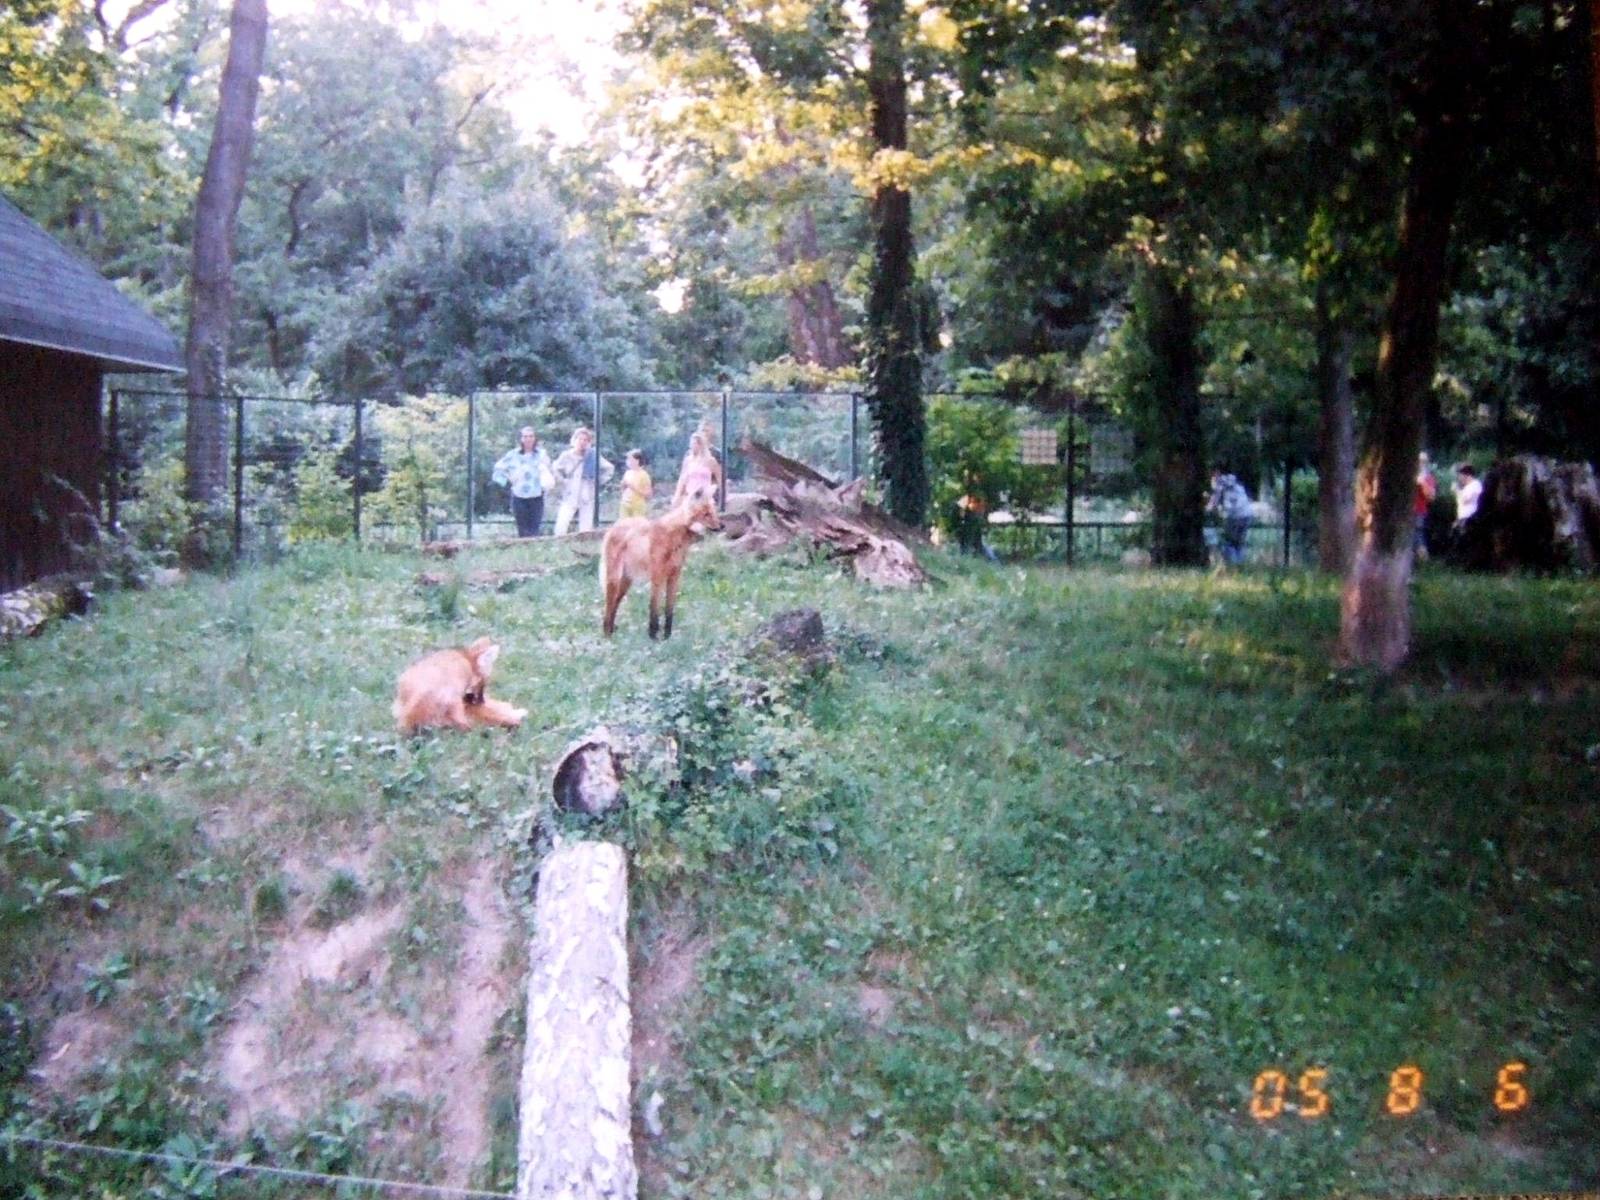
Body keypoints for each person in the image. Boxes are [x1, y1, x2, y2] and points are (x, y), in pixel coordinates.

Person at [490, 426, 552, 538]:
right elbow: (498, 470)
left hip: (536, 495)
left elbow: (548, 471)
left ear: (535, 438)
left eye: (531, 436)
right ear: (521, 439)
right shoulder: (513, 454)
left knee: (535, 529)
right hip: (519, 496)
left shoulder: (541, 454)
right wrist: (507, 481)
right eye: (525, 436)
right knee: (522, 529)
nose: (528, 439)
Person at [552, 427, 614, 535]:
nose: (582, 442)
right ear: (574, 440)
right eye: (580, 439)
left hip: (587, 491)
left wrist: (598, 481)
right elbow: (556, 468)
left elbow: (609, 468)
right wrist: (563, 481)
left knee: (586, 525)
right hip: (570, 492)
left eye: (585, 440)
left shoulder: (593, 455)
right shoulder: (567, 455)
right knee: (562, 522)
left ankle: (583, 545)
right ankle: (559, 542)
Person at [1207, 470, 1254, 566]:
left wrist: (1209, 508)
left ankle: (1232, 564)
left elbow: (1215, 500)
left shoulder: (1221, 482)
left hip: (1234, 516)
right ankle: (1240, 563)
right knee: (1239, 542)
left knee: (1229, 541)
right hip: (1246, 514)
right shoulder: (1234, 482)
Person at [673, 430, 722, 507]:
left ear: (700, 445)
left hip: (705, 496)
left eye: (694, 443)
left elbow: (720, 479)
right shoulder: (688, 460)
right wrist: (677, 495)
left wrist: (723, 494)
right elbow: (682, 479)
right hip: (690, 496)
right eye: (691, 444)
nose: (692, 446)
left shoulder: (710, 460)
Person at [1414, 452, 1437, 561]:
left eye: (1423, 461)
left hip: (1419, 511)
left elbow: (1431, 497)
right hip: (1405, 512)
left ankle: (1423, 562)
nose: (1420, 464)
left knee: (1418, 536)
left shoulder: (1427, 478)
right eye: (1419, 461)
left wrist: (1422, 483)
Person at [619, 449, 653, 520]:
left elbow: (648, 494)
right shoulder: (627, 473)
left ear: (637, 461)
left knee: (636, 529)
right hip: (625, 504)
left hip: (638, 506)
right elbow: (623, 490)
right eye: (627, 459)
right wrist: (622, 486)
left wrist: (633, 487)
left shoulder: (644, 475)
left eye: (630, 459)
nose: (627, 461)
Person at [1453, 463, 1482, 530]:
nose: (1459, 478)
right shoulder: (1466, 488)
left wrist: (1457, 490)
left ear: (1467, 475)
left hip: (1470, 520)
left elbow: (1466, 501)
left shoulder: (1476, 485)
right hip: (1462, 519)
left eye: (1460, 475)